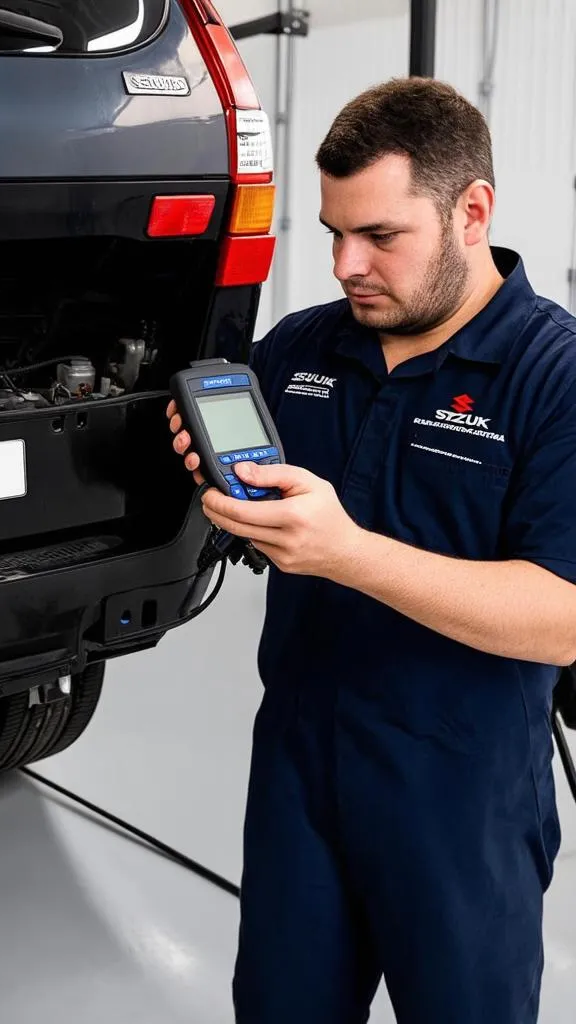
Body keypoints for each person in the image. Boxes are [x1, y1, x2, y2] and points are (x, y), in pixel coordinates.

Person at [167, 77, 576, 1024]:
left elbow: (561, 620)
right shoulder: (303, 352)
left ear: (472, 211)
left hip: (460, 792)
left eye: (381, 237)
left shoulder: (552, 378)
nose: (348, 265)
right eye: (333, 234)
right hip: (300, 768)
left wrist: (346, 552)